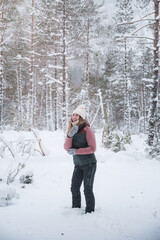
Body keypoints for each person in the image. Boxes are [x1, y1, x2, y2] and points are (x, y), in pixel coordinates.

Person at [64, 105, 97, 214]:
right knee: (74, 188)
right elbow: (66, 148)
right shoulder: (71, 130)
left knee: (87, 189)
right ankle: (76, 209)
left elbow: (93, 148)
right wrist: (69, 136)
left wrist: (76, 151)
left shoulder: (87, 130)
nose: (74, 116)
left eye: (77, 115)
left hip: (89, 164)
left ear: (81, 117)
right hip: (78, 164)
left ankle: (90, 212)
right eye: (73, 114)